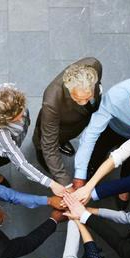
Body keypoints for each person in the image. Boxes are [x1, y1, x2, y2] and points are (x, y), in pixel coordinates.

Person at [0, 84, 66, 196]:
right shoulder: (0, 133)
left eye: (21, 110)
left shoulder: (9, 94)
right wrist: (51, 184)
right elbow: (21, 164)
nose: (22, 115)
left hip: (15, 139)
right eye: (17, 117)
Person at [33, 58, 103, 186]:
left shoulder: (94, 65)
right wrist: (65, 182)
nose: (84, 102)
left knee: (66, 135)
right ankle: (42, 158)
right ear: (69, 89)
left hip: (75, 125)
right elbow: (49, 146)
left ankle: (63, 141)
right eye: (78, 99)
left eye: (88, 97)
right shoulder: (52, 101)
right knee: (44, 146)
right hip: (58, 125)